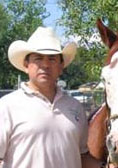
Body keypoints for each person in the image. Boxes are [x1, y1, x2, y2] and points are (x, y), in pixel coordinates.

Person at [0, 27, 101, 168]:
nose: (45, 65)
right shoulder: (7, 106)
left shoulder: (75, 107)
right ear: (26, 65)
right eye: (38, 58)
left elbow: (81, 156)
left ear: (61, 66)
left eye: (52, 59)